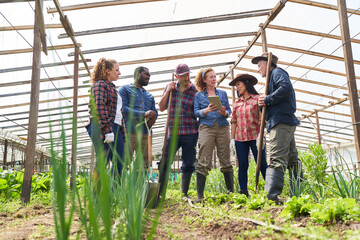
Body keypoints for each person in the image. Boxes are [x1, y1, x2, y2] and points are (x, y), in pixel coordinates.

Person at [252, 52, 303, 202]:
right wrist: (264, 104)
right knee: (292, 160)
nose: (258, 69)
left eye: (259, 65)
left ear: (267, 64)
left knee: (276, 158)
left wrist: (267, 99)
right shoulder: (272, 78)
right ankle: (297, 194)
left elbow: (285, 87)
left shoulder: (277, 72)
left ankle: (271, 196)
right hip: (284, 121)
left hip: (281, 122)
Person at [158, 63, 198, 198]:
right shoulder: (170, 88)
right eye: (183, 76)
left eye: (188, 74)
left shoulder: (195, 90)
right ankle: (160, 192)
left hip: (190, 131)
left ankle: (184, 193)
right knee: (165, 161)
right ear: (176, 76)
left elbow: (198, 111)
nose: (187, 78)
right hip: (172, 132)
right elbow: (161, 107)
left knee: (188, 162)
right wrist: (168, 91)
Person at [194, 68, 233, 201]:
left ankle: (231, 192)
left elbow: (229, 110)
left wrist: (225, 113)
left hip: (222, 127)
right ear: (204, 80)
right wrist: (206, 110)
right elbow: (196, 112)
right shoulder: (198, 96)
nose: (214, 79)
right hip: (206, 127)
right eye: (211, 77)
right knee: (204, 159)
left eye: (215, 76)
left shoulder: (222, 93)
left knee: (225, 158)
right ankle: (200, 195)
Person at [229, 73, 268, 198]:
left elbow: (263, 119)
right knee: (242, 165)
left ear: (246, 83)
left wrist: (261, 136)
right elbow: (234, 121)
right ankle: (244, 192)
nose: (237, 88)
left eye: (238, 84)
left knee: (261, 164)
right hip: (240, 139)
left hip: (255, 136)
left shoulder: (257, 99)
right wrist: (232, 138)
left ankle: (270, 191)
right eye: (236, 86)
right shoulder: (236, 103)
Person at [86, 57, 124, 179]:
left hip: (114, 127)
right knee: (103, 160)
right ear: (108, 70)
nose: (119, 73)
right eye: (117, 70)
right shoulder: (100, 85)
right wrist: (107, 130)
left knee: (120, 161)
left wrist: (123, 132)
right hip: (102, 126)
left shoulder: (112, 88)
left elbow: (118, 113)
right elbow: (99, 107)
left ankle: (111, 192)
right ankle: (96, 196)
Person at [119, 66, 158, 169]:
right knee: (124, 162)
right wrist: (143, 114)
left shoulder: (149, 96)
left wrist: (154, 117)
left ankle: (141, 185)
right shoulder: (125, 89)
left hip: (146, 134)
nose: (149, 77)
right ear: (137, 74)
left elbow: (155, 111)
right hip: (130, 132)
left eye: (149, 75)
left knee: (144, 165)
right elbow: (123, 109)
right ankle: (120, 185)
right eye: (146, 74)